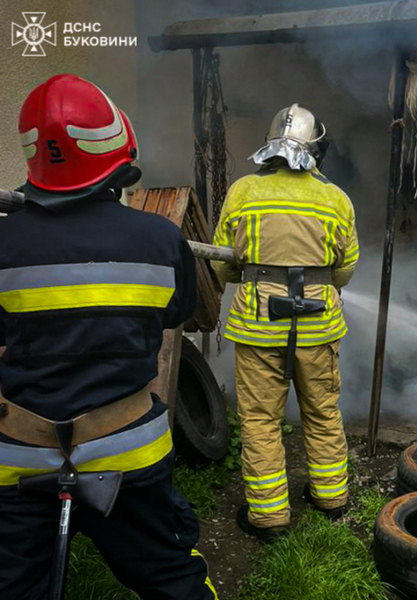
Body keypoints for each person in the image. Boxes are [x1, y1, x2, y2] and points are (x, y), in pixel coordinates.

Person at [0, 74, 217, 599]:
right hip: (129, 455)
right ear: (117, 147)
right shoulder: (160, 240)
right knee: (171, 578)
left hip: (19, 461)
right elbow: (173, 316)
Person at [212, 104, 359, 542]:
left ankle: (269, 516)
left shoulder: (243, 191)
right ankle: (331, 498)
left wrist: (253, 275)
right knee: (323, 411)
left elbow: (223, 265)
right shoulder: (336, 199)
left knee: (260, 420)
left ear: (270, 146)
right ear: (316, 149)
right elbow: (345, 271)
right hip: (319, 329)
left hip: (258, 326)